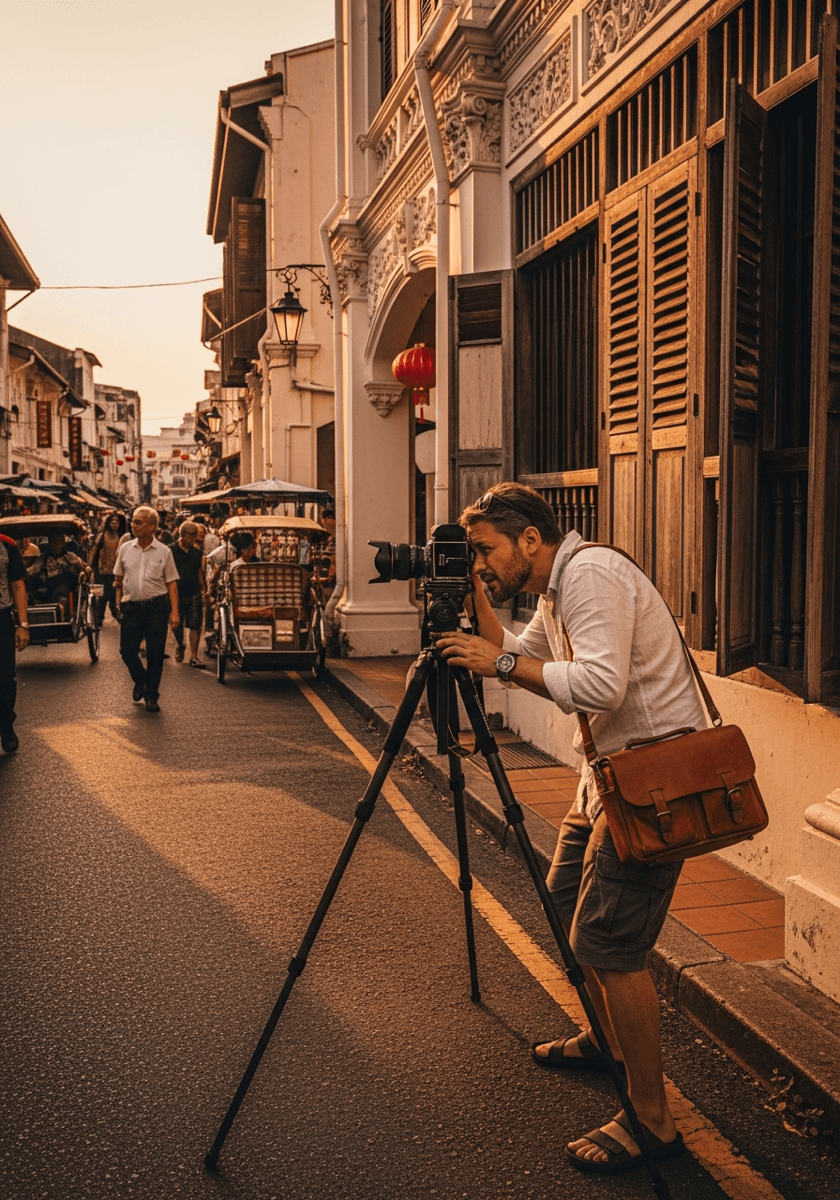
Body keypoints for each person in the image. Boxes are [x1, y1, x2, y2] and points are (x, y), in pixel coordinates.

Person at [437, 482, 703, 1176]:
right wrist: (473, 595)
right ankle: (604, 1039)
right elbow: (513, 653)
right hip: (605, 779)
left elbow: (598, 685)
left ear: (530, 538)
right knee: (563, 907)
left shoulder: (589, 576)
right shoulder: (554, 592)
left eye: (486, 551)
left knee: (611, 948)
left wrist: (496, 662)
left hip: (648, 784)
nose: (483, 562)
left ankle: (653, 1120)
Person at [113, 506, 180, 713]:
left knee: (155, 654)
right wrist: (119, 601)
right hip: (132, 607)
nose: (133, 525)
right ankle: (140, 680)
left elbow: (171, 583)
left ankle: (151, 696)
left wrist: (175, 612)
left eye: (138, 522)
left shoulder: (164, 552)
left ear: (151, 527)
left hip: (156, 608)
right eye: (133, 521)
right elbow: (118, 578)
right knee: (127, 651)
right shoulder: (125, 549)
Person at [0, 532, 29, 753]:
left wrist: (23, 624)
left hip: (2, 618)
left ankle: (6, 725)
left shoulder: (7, 545)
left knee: (5, 678)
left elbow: (18, 585)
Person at [170, 521, 207, 668]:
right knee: (176, 624)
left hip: (194, 592)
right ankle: (180, 644)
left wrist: (204, 590)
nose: (193, 539)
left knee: (195, 624)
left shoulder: (197, 552)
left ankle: (194, 656)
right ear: (182, 535)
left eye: (195, 536)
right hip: (175, 594)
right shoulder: (170, 551)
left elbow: (199, 572)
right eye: (191, 536)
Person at [27, 532, 88, 615]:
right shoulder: (44, 557)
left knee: (65, 582)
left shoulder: (70, 556)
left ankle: (62, 616)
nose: (56, 544)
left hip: (64, 584)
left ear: (63, 543)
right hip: (48, 585)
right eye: (53, 541)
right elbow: (33, 570)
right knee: (33, 592)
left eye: (58, 542)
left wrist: (85, 569)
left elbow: (82, 566)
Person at [89, 511, 127, 623]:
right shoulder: (102, 536)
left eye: (117, 521)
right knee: (101, 596)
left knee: (113, 595)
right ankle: (99, 618)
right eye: (112, 521)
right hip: (102, 571)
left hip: (116, 571)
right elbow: (94, 551)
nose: (114, 523)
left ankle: (117, 615)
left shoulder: (122, 537)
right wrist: (89, 566)